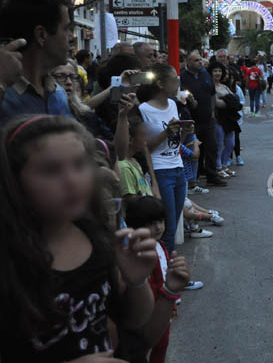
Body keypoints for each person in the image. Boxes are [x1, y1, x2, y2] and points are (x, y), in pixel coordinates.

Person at [0, 115, 158, 361]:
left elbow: (132, 319)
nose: (72, 180)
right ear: (14, 180)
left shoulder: (97, 238)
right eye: (50, 170)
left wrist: (137, 282)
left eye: (80, 164)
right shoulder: (10, 261)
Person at [121, 196, 191, 363]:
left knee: (162, 344)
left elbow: (167, 278)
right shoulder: (138, 254)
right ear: (136, 225)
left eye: (161, 221)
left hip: (162, 309)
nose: (158, 227)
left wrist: (171, 304)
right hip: (145, 314)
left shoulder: (161, 245)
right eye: (151, 223)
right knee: (141, 348)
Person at [0, 0, 74, 126]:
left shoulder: (58, 94)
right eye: (66, 29)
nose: (71, 37)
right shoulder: (5, 96)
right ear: (41, 35)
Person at [138, 63, 190, 253]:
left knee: (173, 225)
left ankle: (168, 270)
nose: (177, 83)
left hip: (178, 168)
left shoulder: (173, 105)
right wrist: (166, 132)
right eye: (174, 80)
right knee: (165, 228)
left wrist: (183, 132)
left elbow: (174, 144)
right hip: (161, 171)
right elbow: (145, 147)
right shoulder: (144, 109)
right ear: (160, 83)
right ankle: (165, 274)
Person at [181, 51, 225, 187]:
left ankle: (212, 175)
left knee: (212, 147)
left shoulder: (205, 74)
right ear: (188, 62)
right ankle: (195, 176)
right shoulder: (183, 77)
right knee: (195, 149)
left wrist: (212, 111)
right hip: (192, 120)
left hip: (208, 119)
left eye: (200, 60)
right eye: (195, 60)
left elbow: (212, 94)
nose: (199, 62)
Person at [211, 63, 240, 177]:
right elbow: (216, 103)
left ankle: (224, 165)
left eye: (219, 71)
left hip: (229, 118)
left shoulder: (224, 86)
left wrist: (227, 101)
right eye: (215, 71)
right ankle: (218, 168)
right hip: (218, 118)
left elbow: (234, 99)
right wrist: (228, 102)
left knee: (230, 143)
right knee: (219, 144)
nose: (218, 73)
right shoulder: (210, 87)